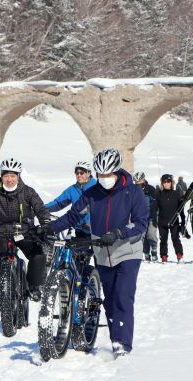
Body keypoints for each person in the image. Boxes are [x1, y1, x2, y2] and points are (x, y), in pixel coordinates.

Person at [39, 148, 148, 357]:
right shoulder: (91, 194)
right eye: (100, 175)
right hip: (101, 250)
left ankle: (122, 343)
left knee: (122, 296)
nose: (104, 179)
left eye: (108, 175)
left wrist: (119, 232)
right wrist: (49, 228)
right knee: (108, 298)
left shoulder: (133, 191)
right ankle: (116, 336)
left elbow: (141, 222)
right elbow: (71, 216)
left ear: (117, 171)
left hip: (128, 249)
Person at [0, 157, 51, 309]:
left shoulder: (28, 192)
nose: (9, 180)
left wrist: (45, 224)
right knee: (1, 261)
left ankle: (33, 286)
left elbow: (40, 209)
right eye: (6, 176)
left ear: (18, 176)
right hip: (3, 234)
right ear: (1, 176)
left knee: (38, 255)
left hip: (25, 232)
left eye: (13, 176)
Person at [44, 161, 97, 237]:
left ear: (88, 173)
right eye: (77, 173)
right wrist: (41, 209)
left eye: (81, 173)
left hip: (95, 232)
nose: (79, 175)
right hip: (79, 230)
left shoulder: (96, 187)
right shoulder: (73, 189)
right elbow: (58, 203)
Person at [156, 174, 185, 263]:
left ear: (171, 183)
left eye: (168, 182)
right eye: (164, 182)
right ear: (162, 183)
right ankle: (164, 256)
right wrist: (153, 218)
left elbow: (181, 209)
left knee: (175, 238)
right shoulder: (159, 194)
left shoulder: (176, 193)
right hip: (162, 221)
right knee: (163, 239)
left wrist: (183, 220)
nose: (166, 184)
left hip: (174, 221)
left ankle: (179, 255)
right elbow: (154, 207)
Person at [133, 171, 159, 261]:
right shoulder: (133, 190)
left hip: (151, 216)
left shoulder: (150, 189)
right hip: (140, 217)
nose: (138, 183)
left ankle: (154, 250)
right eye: (136, 181)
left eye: (139, 181)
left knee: (151, 235)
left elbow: (155, 203)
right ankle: (146, 253)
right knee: (142, 236)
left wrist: (155, 215)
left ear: (143, 180)